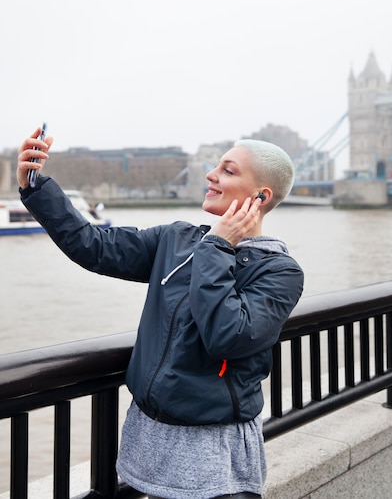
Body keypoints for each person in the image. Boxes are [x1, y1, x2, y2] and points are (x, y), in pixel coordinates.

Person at [17, 128, 304, 499]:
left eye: (228, 171)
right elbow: (95, 247)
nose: (211, 175)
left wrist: (217, 245)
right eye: (216, 166)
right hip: (151, 432)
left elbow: (227, 335)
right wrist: (35, 188)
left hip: (213, 446)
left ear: (260, 196)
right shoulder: (175, 239)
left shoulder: (279, 271)